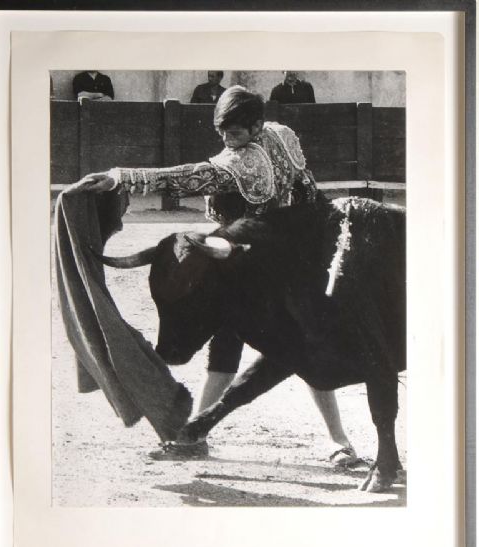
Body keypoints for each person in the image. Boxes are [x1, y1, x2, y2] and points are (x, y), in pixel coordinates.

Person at [68, 86, 356, 465]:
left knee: (293, 350)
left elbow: (187, 178)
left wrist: (121, 177)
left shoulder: (244, 161)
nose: (227, 140)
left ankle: (336, 441)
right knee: (246, 346)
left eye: (234, 132)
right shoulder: (282, 135)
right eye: (222, 132)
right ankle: (197, 434)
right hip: (261, 264)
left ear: (256, 127)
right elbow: (309, 195)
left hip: (259, 268)